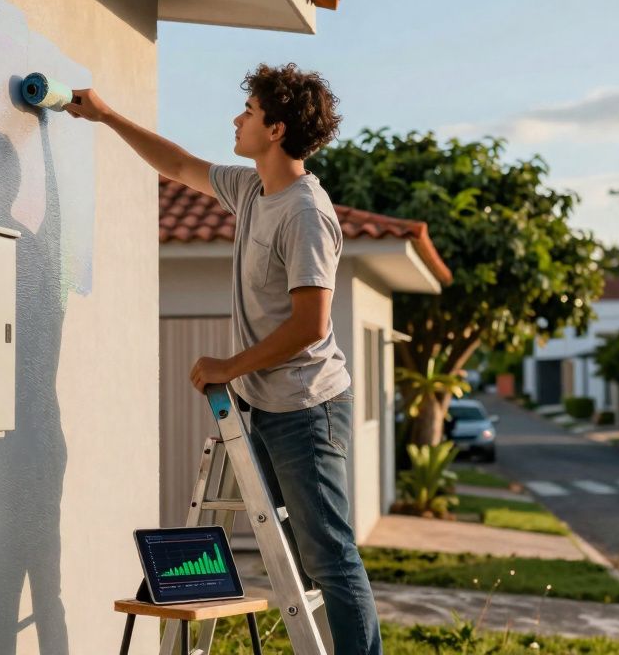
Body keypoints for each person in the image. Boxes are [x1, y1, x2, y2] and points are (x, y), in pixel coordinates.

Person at [65, 63, 383, 654]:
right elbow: (178, 165)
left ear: (277, 130)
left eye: (250, 113)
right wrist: (105, 116)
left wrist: (228, 367)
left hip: (308, 409)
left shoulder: (305, 214)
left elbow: (311, 325)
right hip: (266, 405)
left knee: (330, 561)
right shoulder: (251, 190)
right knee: (297, 557)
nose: (237, 119)